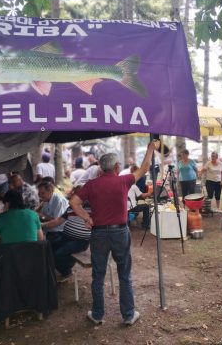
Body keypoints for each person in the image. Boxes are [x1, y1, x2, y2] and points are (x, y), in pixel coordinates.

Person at [69, 140, 157, 326]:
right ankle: (128, 315)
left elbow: (74, 202)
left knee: (98, 276)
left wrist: (87, 217)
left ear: (101, 168)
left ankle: (98, 315)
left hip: (98, 233)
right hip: (120, 231)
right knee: (124, 274)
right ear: (117, 167)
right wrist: (150, 148)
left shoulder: (92, 185)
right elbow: (145, 167)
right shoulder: (124, 180)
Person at [54, 204, 91, 281]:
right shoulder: (71, 207)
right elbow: (59, 220)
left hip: (81, 241)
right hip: (66, 237)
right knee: (51, 246)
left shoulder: (93, 207)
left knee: (59, 254)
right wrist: (42, 225)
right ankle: (65, 266)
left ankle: (67, 272)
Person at [37, 181, 69, 252]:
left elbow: (57, 221)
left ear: (51, 191)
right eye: (39, 193)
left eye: (42, 193)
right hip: (49, 229)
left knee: (44, 247)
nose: (40, 195)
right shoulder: (45, 200)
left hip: (59, 232)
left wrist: (41, 216)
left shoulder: (58, 201)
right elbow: (43, 217)